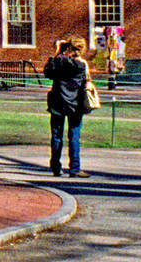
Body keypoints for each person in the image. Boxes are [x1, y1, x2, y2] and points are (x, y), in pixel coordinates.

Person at [43, 37, 91, 178]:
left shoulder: (59, 62)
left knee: (56, 136)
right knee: (74, 136)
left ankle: (56, 167)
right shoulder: (81, 65)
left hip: (57, 103)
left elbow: (47, 72)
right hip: (75, 104)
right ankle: (74, 168)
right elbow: (86, 81)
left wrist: (58, 52)